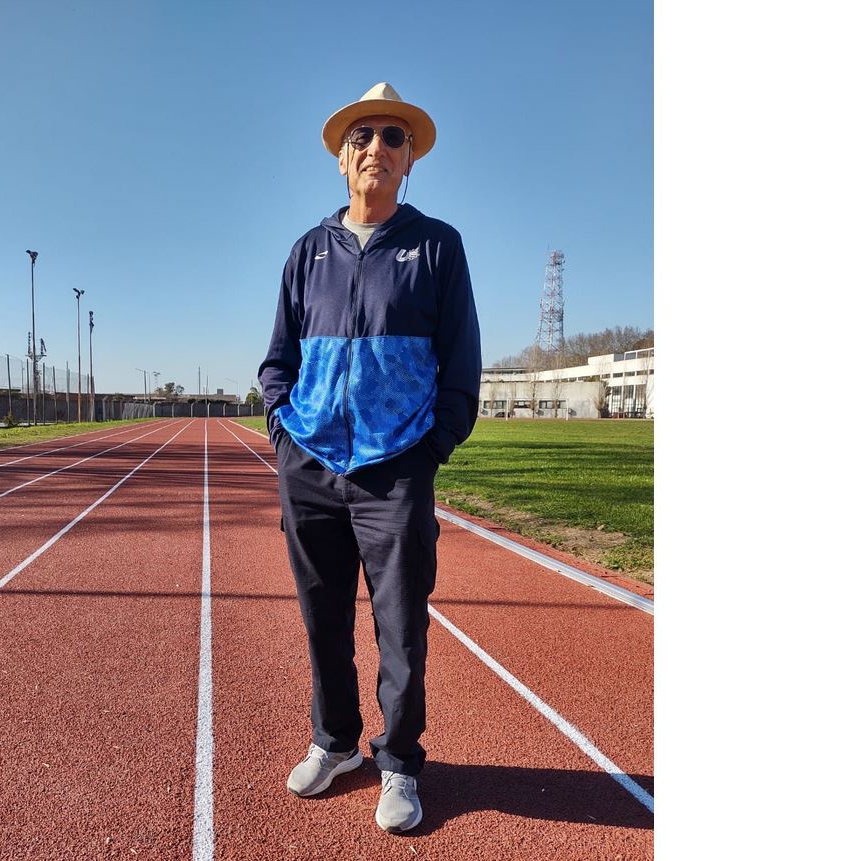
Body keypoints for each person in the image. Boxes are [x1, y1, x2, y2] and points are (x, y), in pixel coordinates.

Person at [258, 82, 481, 834]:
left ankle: (398, 762)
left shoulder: (437, 246)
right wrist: (284, 431)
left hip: (397, 467)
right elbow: (276, 358)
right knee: (323, 616)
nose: (376, 148)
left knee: (400, 626)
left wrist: (430, 449)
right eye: (363, 137)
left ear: (409, 157)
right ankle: (335, 741)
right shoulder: (307, 251)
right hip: (311, 463)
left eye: (392, 136)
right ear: (342, 160)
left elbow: (462, 365)